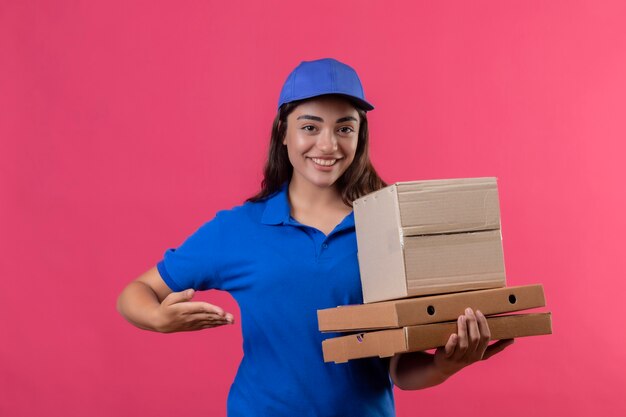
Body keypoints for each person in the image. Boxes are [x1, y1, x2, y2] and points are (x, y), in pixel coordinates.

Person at [116, 57, 514, 416]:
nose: (327, 144)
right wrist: (155, 317)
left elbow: (400, 371)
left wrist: (448, 363)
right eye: (310, 127)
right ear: (283, 133)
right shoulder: (238, 230)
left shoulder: (390, 229)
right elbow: (135, 292)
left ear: (360, 136)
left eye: (345, 127)